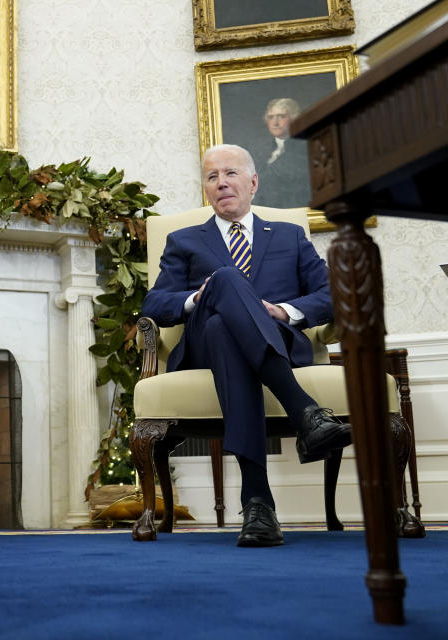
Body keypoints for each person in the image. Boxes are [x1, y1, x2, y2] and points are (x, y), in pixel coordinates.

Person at [140, 144, 352, 547]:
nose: (221, 183)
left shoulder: (289, 236)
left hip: (272, 339)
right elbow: (154, 303)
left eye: (231, 173)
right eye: (211, 176)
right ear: (205, 188)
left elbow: (333, 295)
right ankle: (305, 411)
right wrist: (194, 299)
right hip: (200, 345)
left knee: (225, 330)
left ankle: (258, 503)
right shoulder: (183, 240)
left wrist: (285, 312)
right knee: (222, 281)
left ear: (253, 182)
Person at [252, 98, 311, 208]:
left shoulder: (305, 149)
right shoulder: (260, 153)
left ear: (293, 119)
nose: (275, 123)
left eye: (281, 116)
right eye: (270, 117)